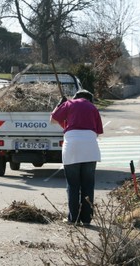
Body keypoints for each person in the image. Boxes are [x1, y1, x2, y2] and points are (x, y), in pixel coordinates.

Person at [50, 89, 103, 226]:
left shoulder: (69, 104)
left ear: (76, 96)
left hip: (72, 147)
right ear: (89, 99)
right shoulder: (93, 108)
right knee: (88, 185)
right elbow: (97, 132)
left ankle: (73, 219)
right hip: (90, 149)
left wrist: (59, 105)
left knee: (73, 185)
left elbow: (53, 120)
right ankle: (86, 220)